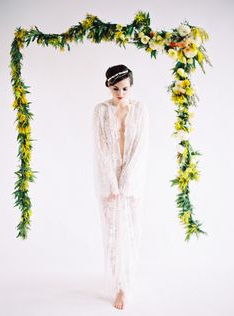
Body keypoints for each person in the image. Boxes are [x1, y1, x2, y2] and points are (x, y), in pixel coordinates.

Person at [92, 64, 150, 309]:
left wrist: (127, 179)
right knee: (112, 234)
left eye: (125, 88)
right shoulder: (101, 111)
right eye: (115, 88)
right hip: (109, 179)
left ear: (131, 86)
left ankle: (127, 283)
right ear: (108, 86)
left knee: (132, 231)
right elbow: (101, 148)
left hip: (132, 178)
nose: (120, 92)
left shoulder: (140, 109)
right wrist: (112, 181)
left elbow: (141, 146)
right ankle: (118, 285)